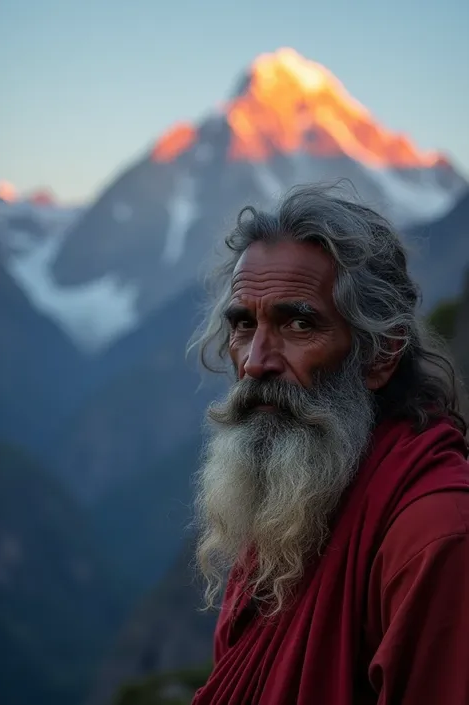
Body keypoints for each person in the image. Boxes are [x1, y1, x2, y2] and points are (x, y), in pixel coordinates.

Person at [189, 184, 469, 705]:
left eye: (299, 323)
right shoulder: (294, 504)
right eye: (244, 325)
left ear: (381, 354)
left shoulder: (435, 536)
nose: (255, 361)